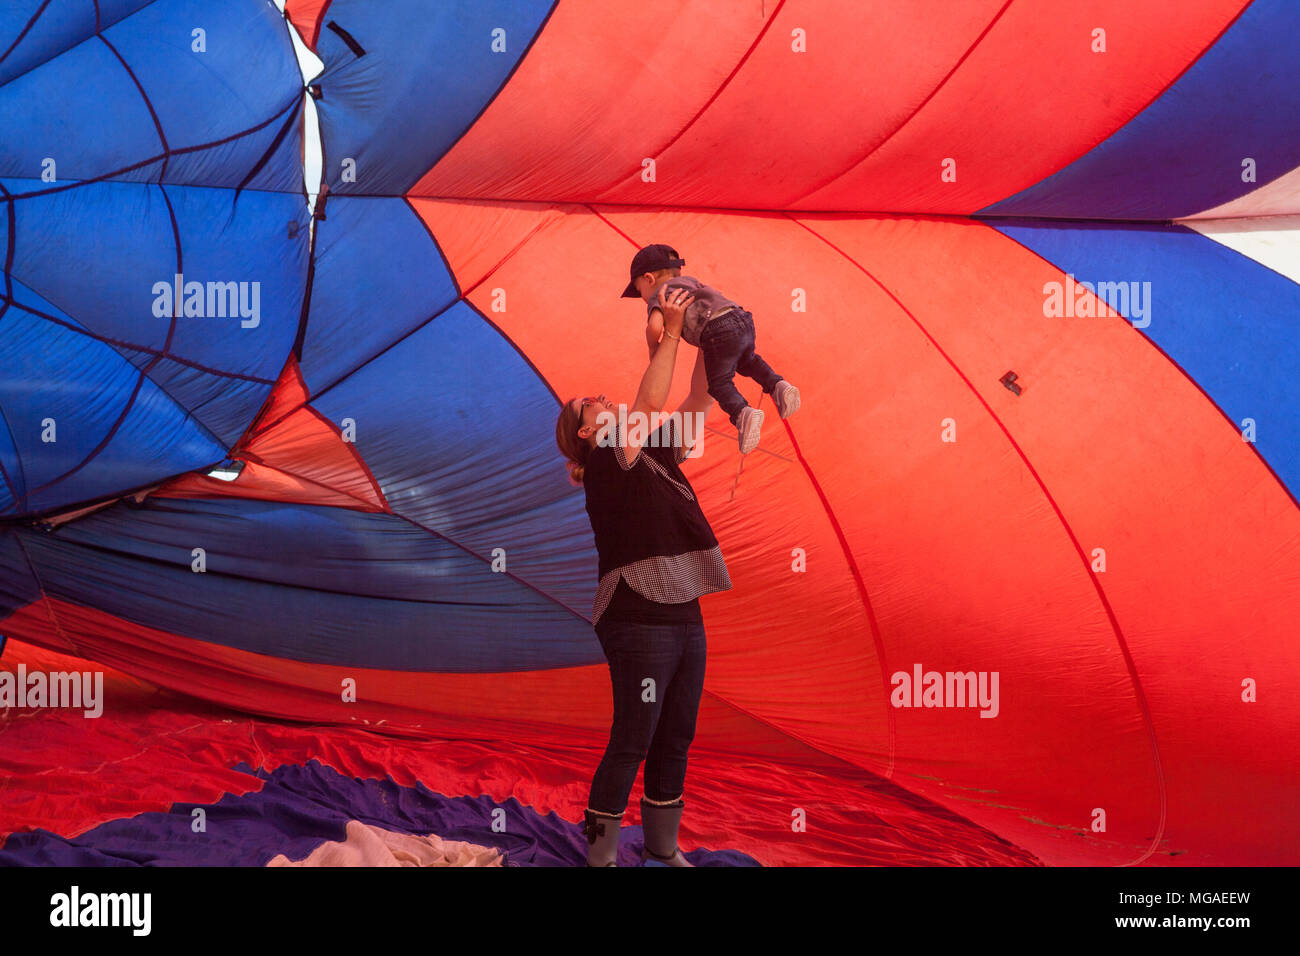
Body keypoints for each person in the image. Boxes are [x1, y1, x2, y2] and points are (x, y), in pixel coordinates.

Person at [554, 286, 732, 867]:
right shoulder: (607, 456)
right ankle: (600, 858)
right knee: (633, 736)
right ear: (586, 433)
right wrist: (670, 335)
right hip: (636, 614)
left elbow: (696, 401)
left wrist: (711, 343)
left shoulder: (653, 450)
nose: (604, 399)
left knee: (676, 734)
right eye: (592, 405)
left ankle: (662, 850)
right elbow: (648, 406)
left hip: (683, 609)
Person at [622, 243, 801, 454]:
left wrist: (654, 348)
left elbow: (653, 326)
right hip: (740, 318)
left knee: (718, 384)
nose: (643, 297)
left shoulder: (660, 294)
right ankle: (779, 385)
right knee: (748, 361)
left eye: (639, 290)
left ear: (649, 279)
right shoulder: (690, 281)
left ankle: (742, 412)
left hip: (716, 331)